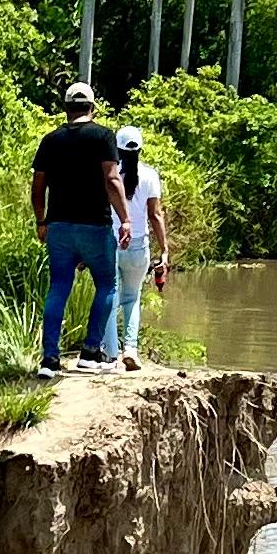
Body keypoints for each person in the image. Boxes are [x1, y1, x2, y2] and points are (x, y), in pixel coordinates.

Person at [28, 82, 127, 373]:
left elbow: (38, 186)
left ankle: (50, 359)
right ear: (92, 108)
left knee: (58, 286)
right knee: (107, 284)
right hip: (95, 225)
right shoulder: (103, 136)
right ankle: (90, 352)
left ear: (66, 108)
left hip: (58, 226)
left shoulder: (50, 140)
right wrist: (126, 219)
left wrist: (41, 220)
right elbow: (111, 180)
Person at [107, 126, 171, 371]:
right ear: (140, 149)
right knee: (132, 298)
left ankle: (111, 353)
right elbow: (155, 215)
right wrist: (164, 248)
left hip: (111, 242)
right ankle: (130, 349)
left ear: (118, 149)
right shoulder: (150, 175)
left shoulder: (109, 174)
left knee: (109, 296)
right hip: (138, 246)